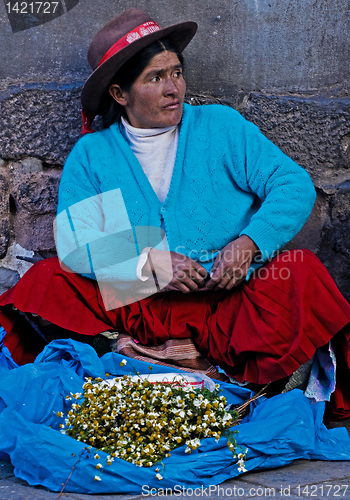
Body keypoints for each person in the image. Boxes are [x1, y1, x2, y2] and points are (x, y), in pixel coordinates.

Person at [0, 8, 350, 419]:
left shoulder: (219, 127)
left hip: (227, 305)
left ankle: (228, 378)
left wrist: (250, 243)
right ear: (119, 94)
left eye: (177, 72)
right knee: (48, 281)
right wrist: (148, 266)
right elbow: (79, 244)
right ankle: (127, 359)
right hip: (138, 309)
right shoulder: (95, 154)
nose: (175, 88)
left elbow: (292, 184)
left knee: (300, 272)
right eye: (156, 77)